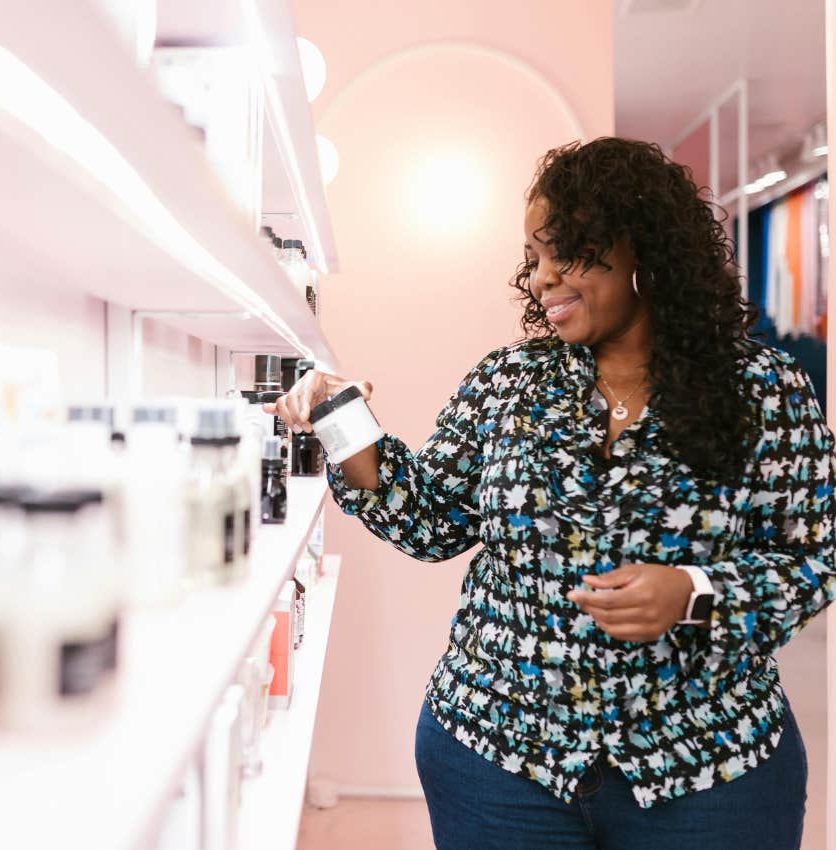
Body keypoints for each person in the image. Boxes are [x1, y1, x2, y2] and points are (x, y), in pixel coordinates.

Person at [265, 137, 835, 850]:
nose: (541, 279)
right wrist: (339, 417)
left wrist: (693, 595)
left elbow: (812, 558)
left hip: (709, 772)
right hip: (499, 763)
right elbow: (433, 520)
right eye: (532, 258)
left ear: (639, 247)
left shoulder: (764, 388)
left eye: (561, 251)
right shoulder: (511, 381)